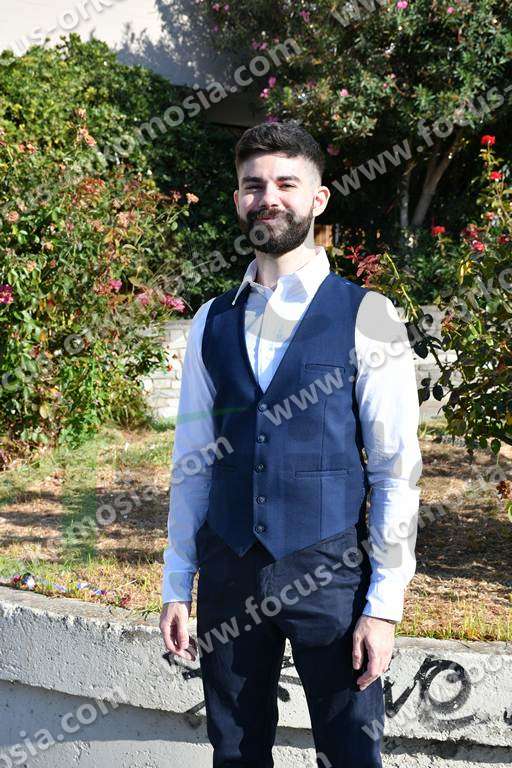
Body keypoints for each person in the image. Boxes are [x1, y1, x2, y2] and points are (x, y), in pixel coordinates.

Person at [160, 121, 422, 767]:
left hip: (330, 574)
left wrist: (383, 608)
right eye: (253, 185)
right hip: (229, 571)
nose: (268, 198)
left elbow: (395, 471)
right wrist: (177, 583)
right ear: (237, 199)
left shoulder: (368, 315)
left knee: (350, 752)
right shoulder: (212, 319)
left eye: (286, 183)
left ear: (318, 198)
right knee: (235, 752)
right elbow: (193, 461)